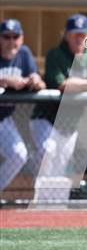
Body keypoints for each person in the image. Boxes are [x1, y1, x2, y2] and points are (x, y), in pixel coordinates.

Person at [31, 14, 87, 181]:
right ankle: (36, 197)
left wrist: (76, 84)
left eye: (83, 35)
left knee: (60, 166)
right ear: (66, 36)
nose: (79, 39)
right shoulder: (56, 54)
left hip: (70, 123)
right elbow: (62, 85)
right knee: (47, 151)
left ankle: (52, 202)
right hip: (46, 119)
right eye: (75, 35)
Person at [0, 19, 45, 194]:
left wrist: (35, 80)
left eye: (15, 36)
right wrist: (5, 81)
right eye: (6, 37)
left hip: (4, 119)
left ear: (22, 38)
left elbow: (39, 82)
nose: (11, 41)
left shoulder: (24, 54)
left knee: (18, 155)